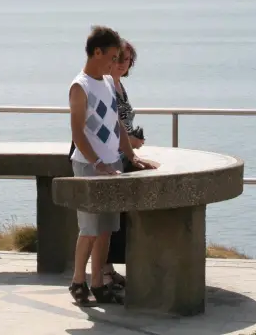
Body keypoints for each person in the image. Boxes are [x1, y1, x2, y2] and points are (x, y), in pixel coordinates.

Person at [67, 26, 157, 305]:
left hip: (112, 164)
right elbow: (78, 132)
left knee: (106, 229)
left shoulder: (107, 83)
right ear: (97, 52)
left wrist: (131, 156)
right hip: (88, 167)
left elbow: (117, 124)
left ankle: (98, 283)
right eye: (112, 56)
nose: (116, 63)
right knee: (90, 229)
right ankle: (77, 281)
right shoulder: (79, 86)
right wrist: (96, 162)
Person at [104, 39, 144, 287]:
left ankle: (109, 270)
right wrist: (130, 142)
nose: (121, 64)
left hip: (123, 155)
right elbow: (107, 128)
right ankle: (104, 273)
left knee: (117, 220)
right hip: (111, 157)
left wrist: (133, 142)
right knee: (107, 220)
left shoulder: (119, 86)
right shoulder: (104, 87)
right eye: (117, 58)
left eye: (126, 59)